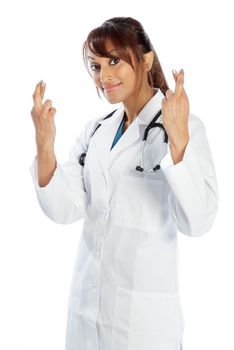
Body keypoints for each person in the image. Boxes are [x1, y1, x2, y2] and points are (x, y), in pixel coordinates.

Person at [29, 16, 219, 350]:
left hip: (143, 326)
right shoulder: (96, 131)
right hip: (85, 315)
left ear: (146, 60)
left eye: (114, 61)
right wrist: (45, 147)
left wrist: (178, 143)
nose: (104, 77)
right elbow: (64, 208)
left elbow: (199, 221)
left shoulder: (183, 125)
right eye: (96, 66)